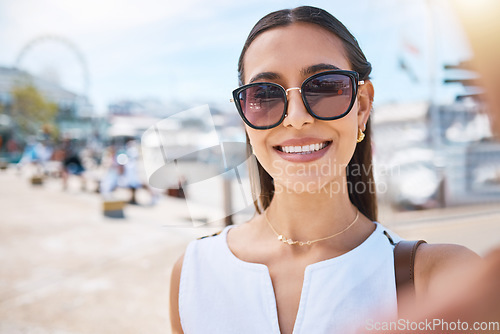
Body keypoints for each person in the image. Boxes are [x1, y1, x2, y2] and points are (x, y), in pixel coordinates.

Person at [169, 6, 479, 334]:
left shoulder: (445, 277)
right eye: (264, 95)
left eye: (326, 87)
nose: (296, 117)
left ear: (361, 107)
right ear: (245, 116)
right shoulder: (193, 274)